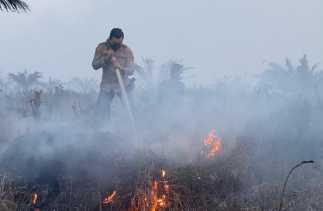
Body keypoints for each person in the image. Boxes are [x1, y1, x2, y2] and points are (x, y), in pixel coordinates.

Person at [92, 28, 135, 120]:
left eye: (119, 43)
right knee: (101, 112)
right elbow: (95, 65)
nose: (117, 46)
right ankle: (104, 131)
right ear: (110, 39)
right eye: (115, 44)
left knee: (132, 110)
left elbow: (131, 70)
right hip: (107, 86)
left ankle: (135, 129)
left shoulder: (126, 50)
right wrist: (107, 58)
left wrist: (120, 68)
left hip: (123, 85)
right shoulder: (101, 48)